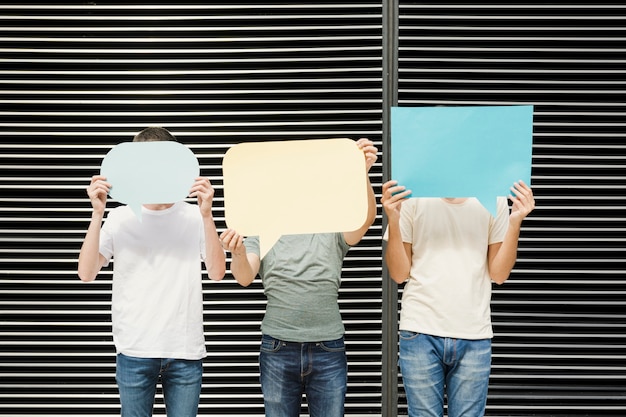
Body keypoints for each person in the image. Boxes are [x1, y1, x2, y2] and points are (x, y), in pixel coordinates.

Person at [218, 138, 378, 417]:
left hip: (328, 347)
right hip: (277, 346)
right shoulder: (261, 226)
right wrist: (238, 251)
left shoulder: (332, 221)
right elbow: (244, 277)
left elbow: (364, 219)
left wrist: (361, 173)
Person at [77, 127, 226, 417]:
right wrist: (96, 214)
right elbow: (86, 272)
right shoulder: (118, 216)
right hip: (134, 350)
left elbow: (218, 272)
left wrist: (208, 215)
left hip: (185, 352)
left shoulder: (195, 215)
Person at [381, 179, 535, 417]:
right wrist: (393, 218)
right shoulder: (413, 194)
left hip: (474, 333)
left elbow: (499, 274)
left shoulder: (493, 198)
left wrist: (515, 222)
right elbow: (399, 274)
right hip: (420, 330)